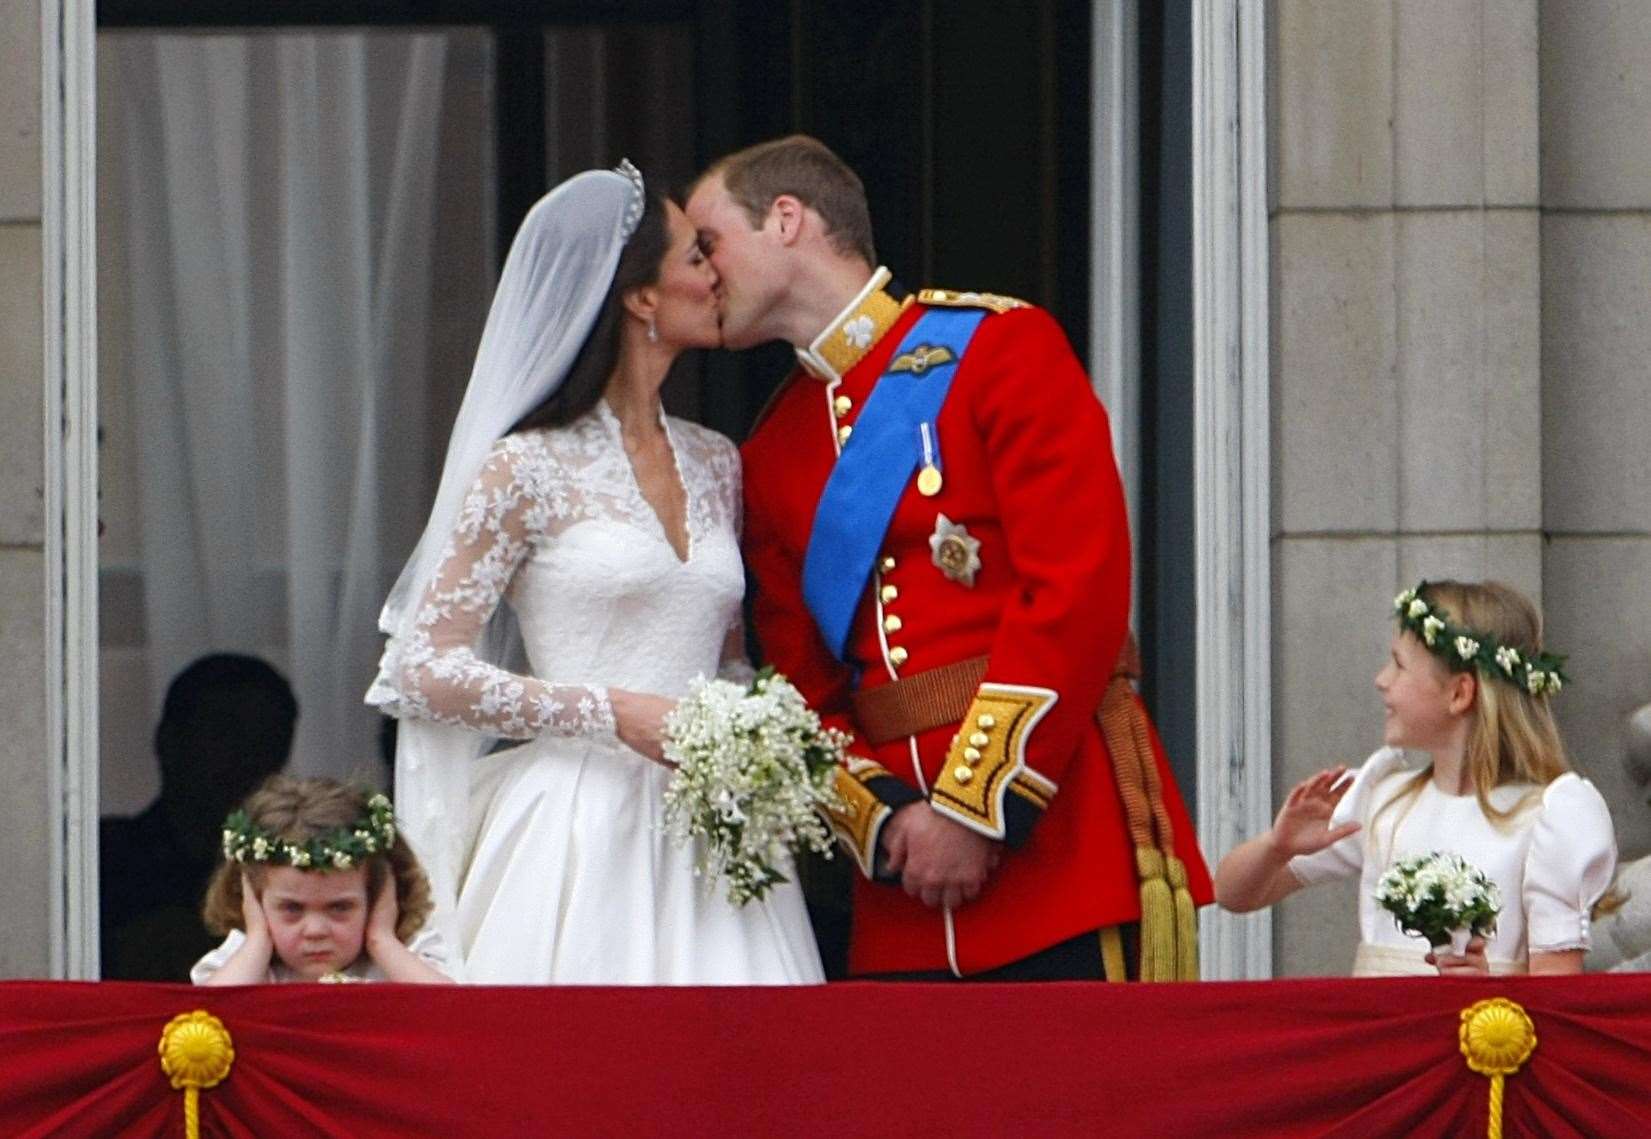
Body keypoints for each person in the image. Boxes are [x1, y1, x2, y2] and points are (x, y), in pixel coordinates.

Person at [686, 135, 1212, 980]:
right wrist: (889, 821)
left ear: (785, 220)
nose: (702, 273)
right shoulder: (773, 447)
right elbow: (798, 688)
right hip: (903, 892)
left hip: (1058, 849)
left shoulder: (1001, 348)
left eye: (709, 242)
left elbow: (1076, 590)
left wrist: (973, 809)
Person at [366, 161, 823, 984]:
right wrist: (611, 711)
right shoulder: (523, 468)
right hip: (575, 828)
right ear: (640, 297)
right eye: (695, 257)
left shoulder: (716, 461)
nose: (717, 274)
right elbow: (422, 668)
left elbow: (725, 658)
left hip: (714, 833)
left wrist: (756, 738)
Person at [1215, 580, 1617, 976]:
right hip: (1382, 1036)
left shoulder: (1547, 818)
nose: (1381, 680)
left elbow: (1557, 990)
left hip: (1483, 1036)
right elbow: (1233, 895)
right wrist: (1276, 846)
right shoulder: (1383, 800)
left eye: (1399, 664)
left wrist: (1484, 987)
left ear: (1460, 693)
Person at [100, 653, 297, 980]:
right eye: (226, 734)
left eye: (267, 739)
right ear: (170, 741)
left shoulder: (292, 865)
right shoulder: (106, 858)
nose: (248, 758)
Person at [193, 775, 454, 983]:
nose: (316, 931)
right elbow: (207, 1016)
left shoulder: (408, 955)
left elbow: (455, 1012)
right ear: (253, 903)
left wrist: (381, 941)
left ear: (377, 898)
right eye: (292, 908)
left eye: (340, 907)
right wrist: (258, 940)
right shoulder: (244, 962)